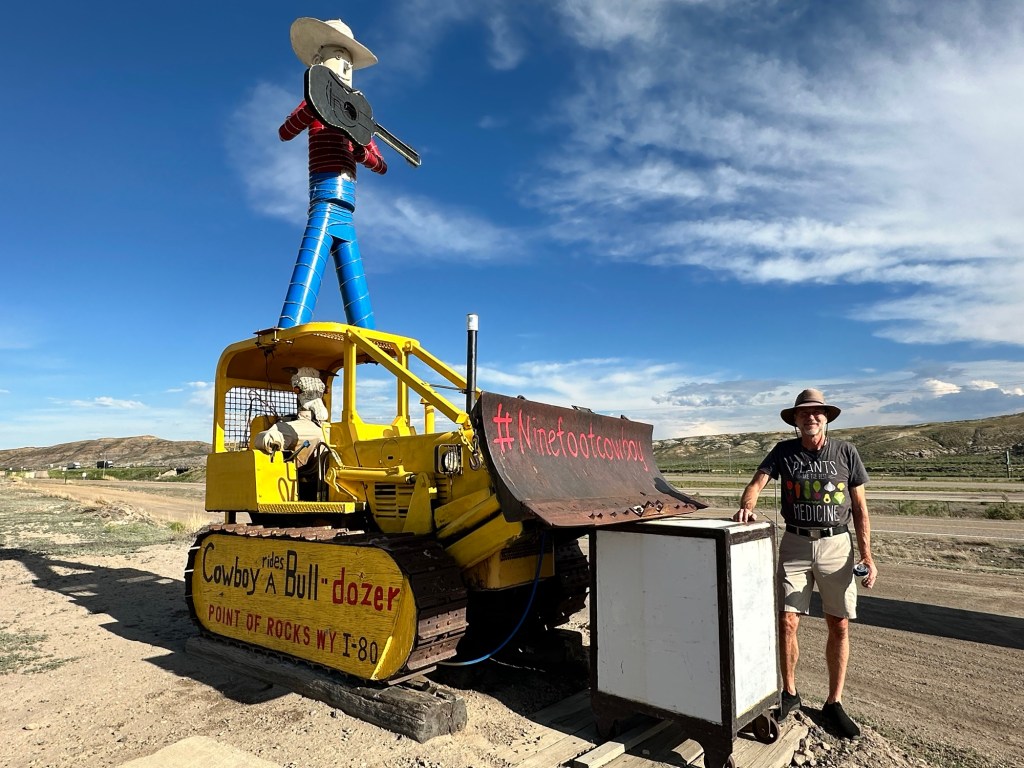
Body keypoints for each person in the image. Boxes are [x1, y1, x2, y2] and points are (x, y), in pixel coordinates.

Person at [734, 388, 877, 739]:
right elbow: (757, 482)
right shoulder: (784, 451)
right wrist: (747, 505)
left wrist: (868, 555)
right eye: (803, 414)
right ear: (795, 421)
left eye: (816, 413)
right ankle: (790, 694)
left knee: (839, 623)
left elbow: (859, 508)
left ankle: (834, 702)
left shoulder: (846, 452)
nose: (810, 418)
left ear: (826, 417)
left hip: (836, 545)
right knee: (786, 621)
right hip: (795, 544)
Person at [277, 17, 389, 330]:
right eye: (338, 58)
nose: (344, 67)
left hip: (347, 199)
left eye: (348, 62)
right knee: (312, 261)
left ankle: (366, 337)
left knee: (350, 266)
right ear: (318, 61)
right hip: (324, 192)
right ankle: (288, 332)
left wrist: (360, 149)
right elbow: (286, 131)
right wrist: (312, 106)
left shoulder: (360, 119)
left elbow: (380, 164)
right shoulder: (312, 102)